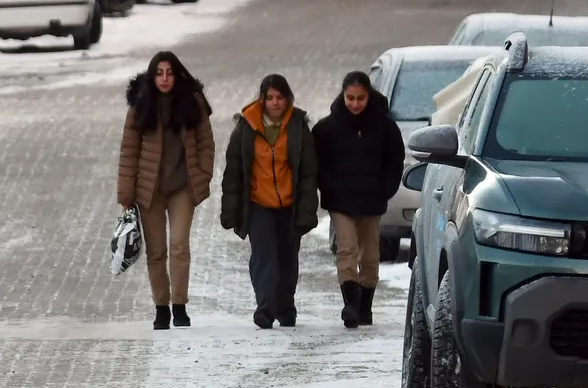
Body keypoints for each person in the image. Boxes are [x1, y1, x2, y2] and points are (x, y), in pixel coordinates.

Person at [117, 51, 215, 330]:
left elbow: (207, 143)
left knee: (179, 245)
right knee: (157, 250)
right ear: (152, 76)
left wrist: (203, 175)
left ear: (177, 74)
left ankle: (180, 306)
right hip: (149, 190)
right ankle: (161, 308)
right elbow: (129, 150)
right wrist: (126, 193)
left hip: (183, 186)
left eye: (169, 72)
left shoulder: (192, 104)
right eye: (159, 73)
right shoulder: (140, 106)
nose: (164, 78)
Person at [220, 75, 319, 330]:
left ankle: (286, 307)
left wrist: (308, 208)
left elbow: (308, 172)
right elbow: (234, 171)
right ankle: (265, 307)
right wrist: (230, 210)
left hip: (289, 204)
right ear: (262, 99)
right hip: (258, 204)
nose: (275, 103)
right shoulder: (247, 127)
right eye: (270, 98)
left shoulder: (297, 126)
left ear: (288, 99)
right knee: (264, 257)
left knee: (287, 257)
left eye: (280, 98)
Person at [313, 70, 406, 328]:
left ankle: (365, 307)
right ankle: (350, 305)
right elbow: (318, 164)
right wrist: (328, 187)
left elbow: (394, 161)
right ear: (343, 95)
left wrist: (385, 189)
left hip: (371, 200)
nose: (355, 104)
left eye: (360, 98)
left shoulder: (385, 127)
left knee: (370, 254)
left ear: (369, 96)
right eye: (350, 98)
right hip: (340, 201)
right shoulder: (327, 128)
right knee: (347, 248)